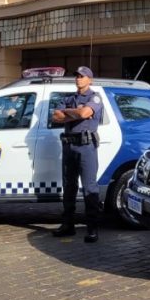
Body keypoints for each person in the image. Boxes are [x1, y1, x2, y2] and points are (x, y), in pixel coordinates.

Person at [51, 66, 104, 243]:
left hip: (86, 146)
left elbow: (85, 112)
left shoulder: (94, 97)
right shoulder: (68, 98)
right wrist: (75, 113)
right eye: (77, 76)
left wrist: (68, 112)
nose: (78, 79)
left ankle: (92, 229)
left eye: (82, 76)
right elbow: (55, 117)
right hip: (68, 146)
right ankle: (68, 225)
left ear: (90, 80)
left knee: (89, 188)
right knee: (69, 187)